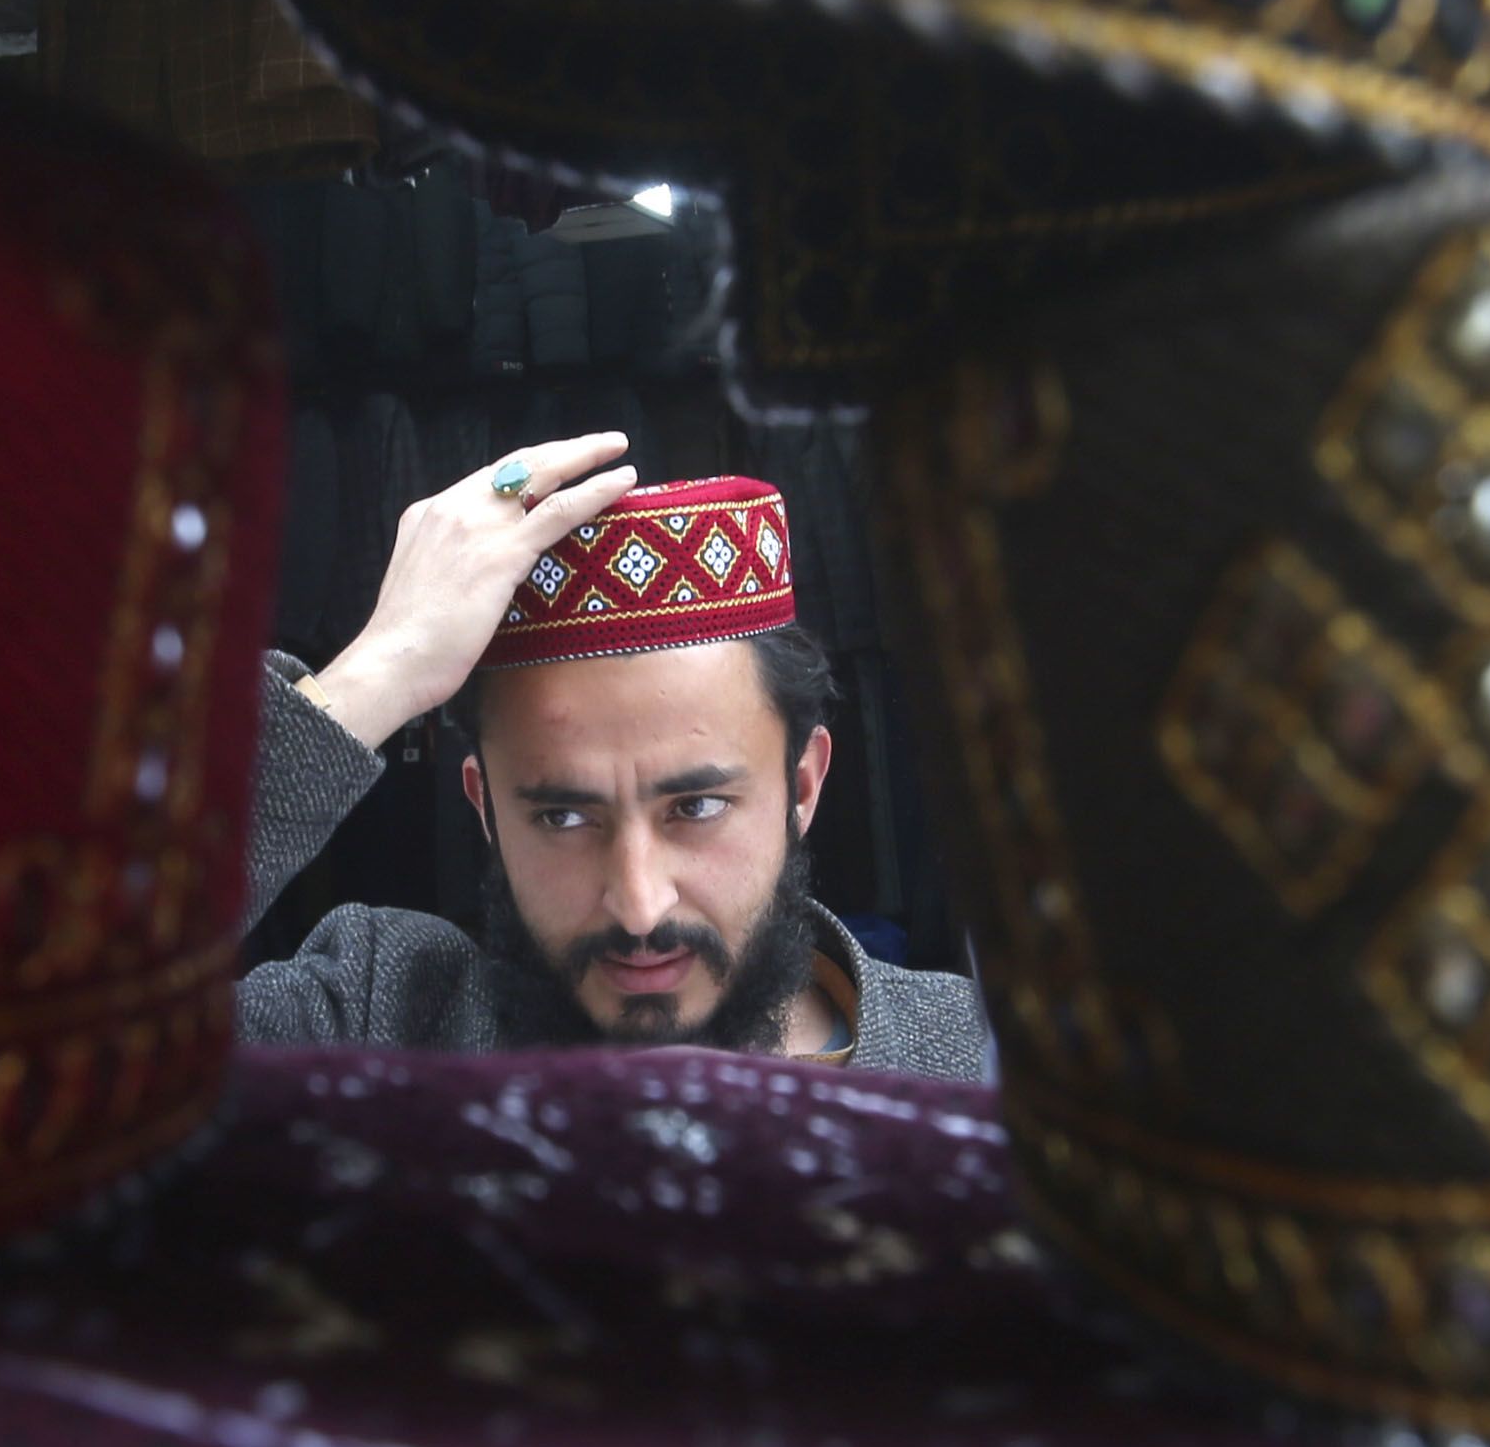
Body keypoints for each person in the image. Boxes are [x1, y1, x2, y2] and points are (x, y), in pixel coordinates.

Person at [239, 436, 991, 1073]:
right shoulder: (376, 1018)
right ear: (486, 808)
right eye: (563, 816)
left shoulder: (978, 1062)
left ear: (802, 786)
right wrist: (376, 672)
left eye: (695, 808)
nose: (638, 905)